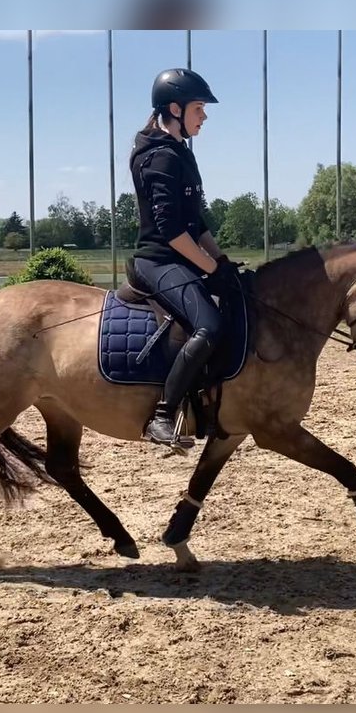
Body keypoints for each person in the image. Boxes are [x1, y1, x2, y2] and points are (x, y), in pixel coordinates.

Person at [129, 67, 239, 449]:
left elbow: (197, 222)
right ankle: (162, 415)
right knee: (208, 325)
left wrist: (222, 263)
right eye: (198, 108)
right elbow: (172, 231)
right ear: (174, 109)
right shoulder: (158, 156)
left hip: (180, 257)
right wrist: (210, 269)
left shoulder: (180, 153)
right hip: (157, 261)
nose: (204, 115)